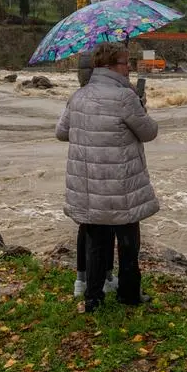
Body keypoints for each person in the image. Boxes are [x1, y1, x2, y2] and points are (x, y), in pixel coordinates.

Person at [56, 42, 159, 312]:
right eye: (126, 63)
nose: (129, 69)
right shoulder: (125, 98)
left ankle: (93, 298)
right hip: (121, 185)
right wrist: (141, 105)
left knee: (96, 244)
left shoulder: (78, 96)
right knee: (128, 243)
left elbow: (61, 132)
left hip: (89, 184)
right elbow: (149, 132)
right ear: (112, 66)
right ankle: (128, 294)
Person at [72, 50, 118, 297]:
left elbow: (61, 131)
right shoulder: (116, 95)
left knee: (87, 227)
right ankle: (104, 280)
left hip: (82, 169)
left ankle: (81, 281)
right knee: (106, 227)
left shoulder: (77, 97)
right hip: (107, 171)